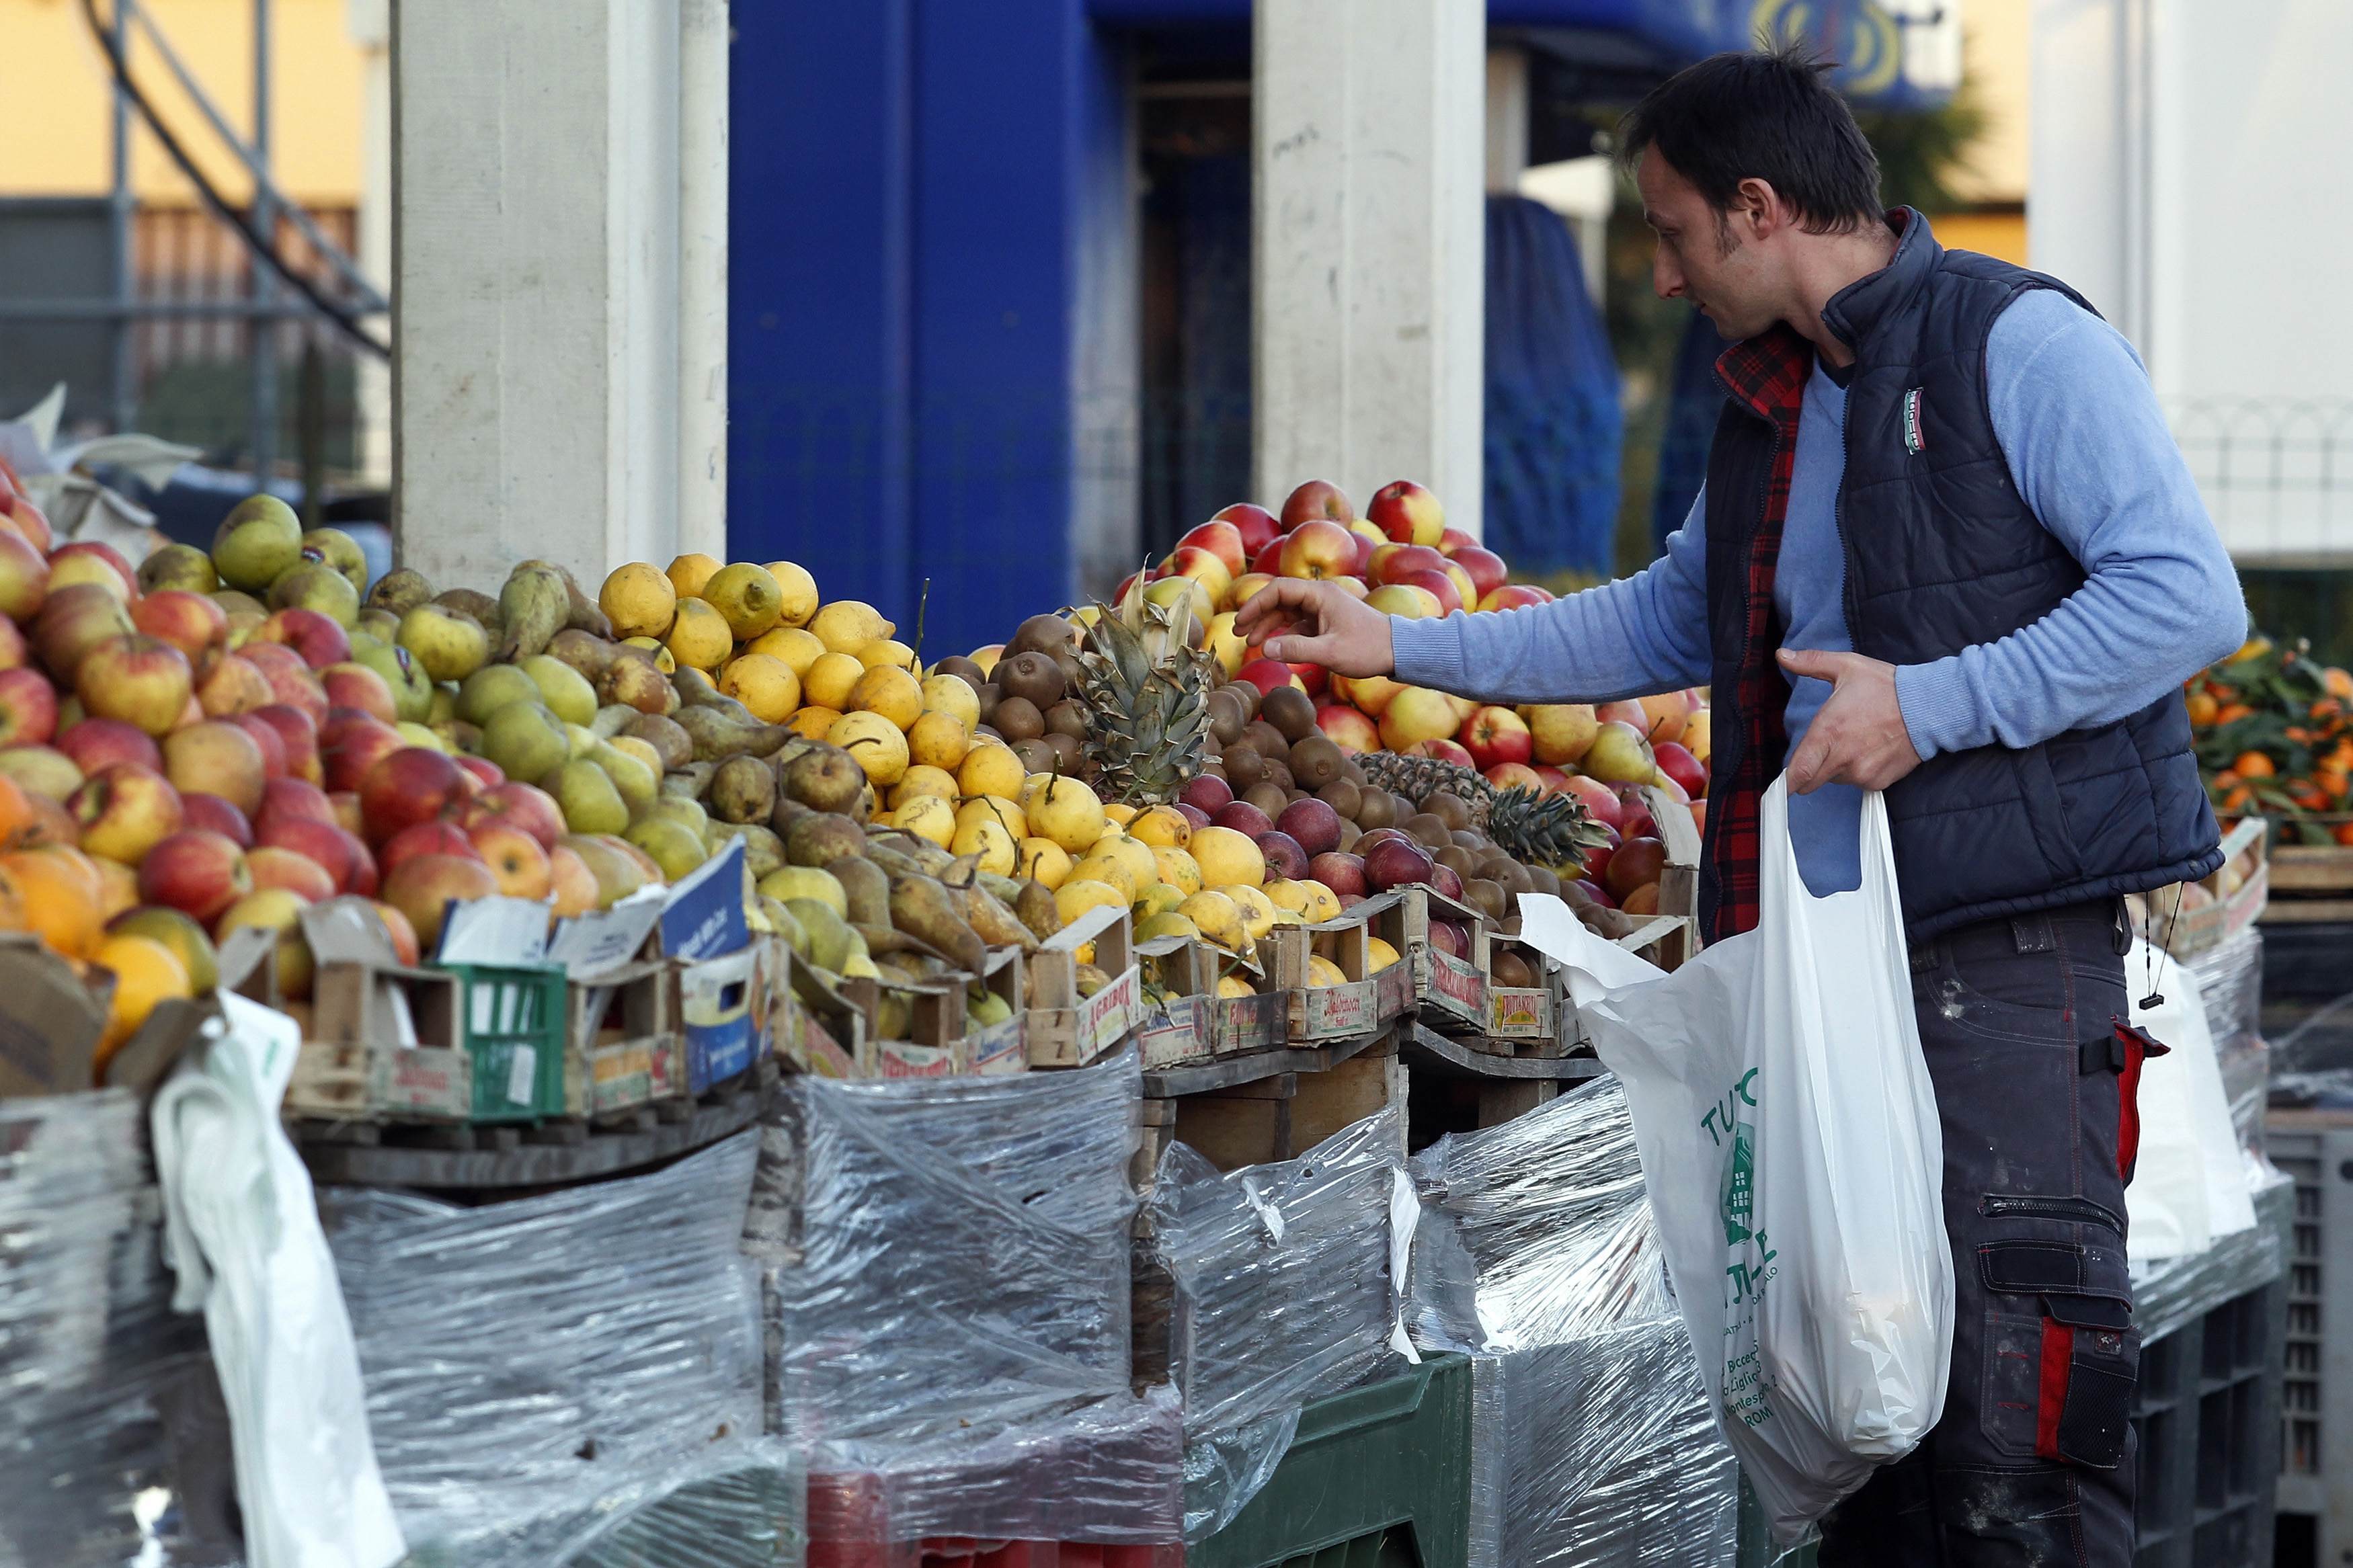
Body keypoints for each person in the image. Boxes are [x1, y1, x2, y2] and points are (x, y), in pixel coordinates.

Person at [1235, 42, 2244, 1567]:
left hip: (2005, 971)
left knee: (2009, 1430)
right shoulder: (1780, 405)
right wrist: (1402, 643)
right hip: (1833, 971)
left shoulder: (2013, 344)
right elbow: (1672, 623)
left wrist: (1923, 704)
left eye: (1671, 230)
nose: (1657, 273)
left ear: (1759, 208)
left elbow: (2183, 597)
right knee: (1864, 1418)